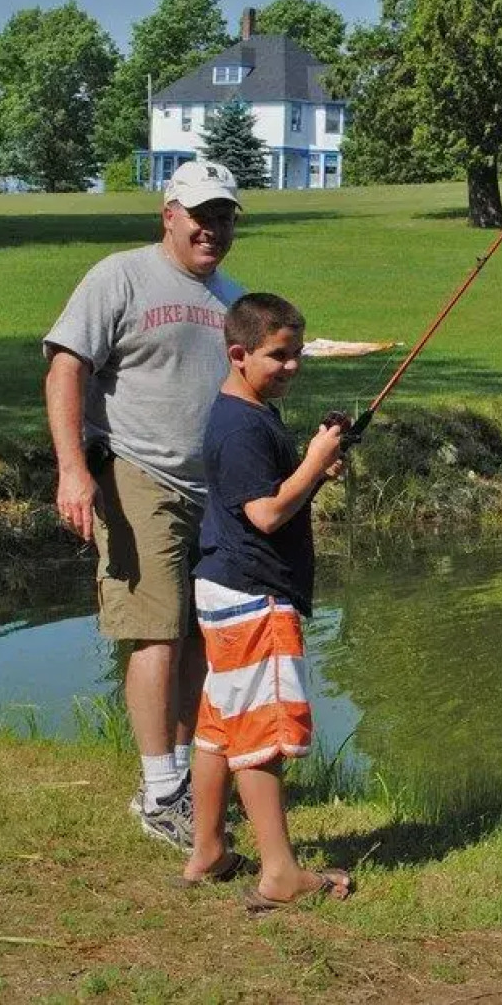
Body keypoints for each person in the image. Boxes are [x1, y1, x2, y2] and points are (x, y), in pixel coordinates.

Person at [43, 160, 245, 846]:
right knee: (155, 628)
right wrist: (73, 470)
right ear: (169, 215)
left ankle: (181, 779)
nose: (211, 229)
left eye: (223, 217)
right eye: (200, 215)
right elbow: (65, 366)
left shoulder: (231, 298)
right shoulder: (120, 276)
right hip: (135, 474)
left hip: (212, 489)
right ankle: (159, 792)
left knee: (197, 637)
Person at [180, 292, 354, 909]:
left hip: (224, 587)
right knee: (261, 731)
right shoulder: (239, 426)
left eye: (298, 354)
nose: (293, 367)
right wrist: (312, 462)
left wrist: (313, 466)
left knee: (219, 727)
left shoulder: (246, 412)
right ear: (238, 353)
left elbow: (272, 492)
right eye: (279, 356)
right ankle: (280, 874)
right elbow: (268, 511)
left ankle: (208, 850)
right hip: (253, 595)